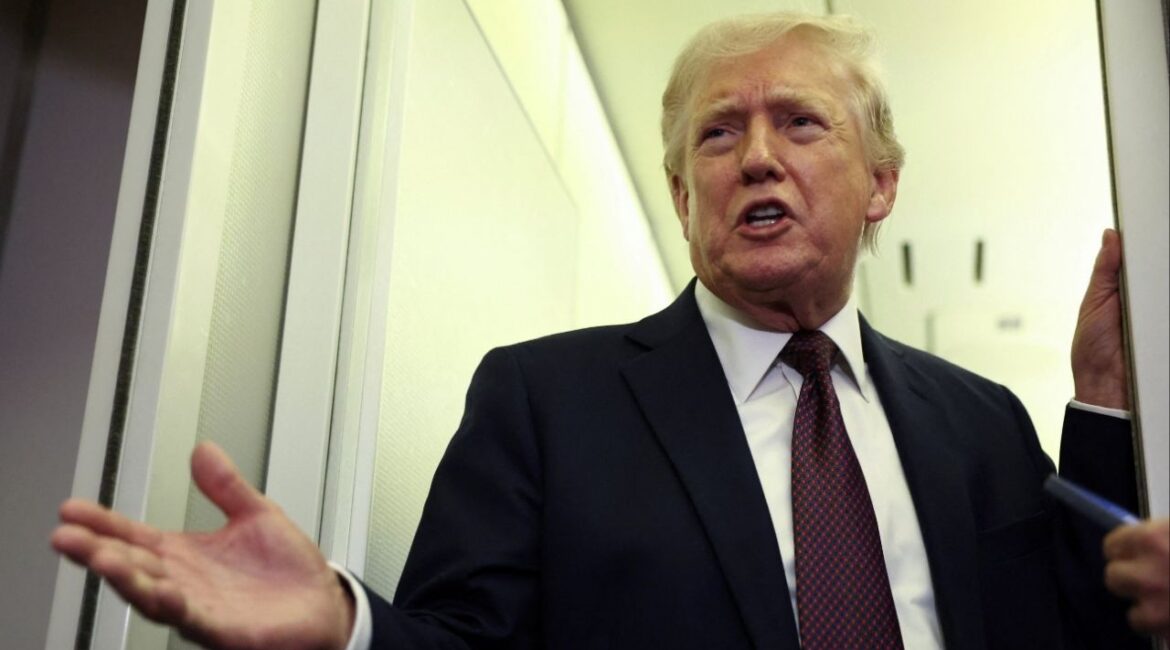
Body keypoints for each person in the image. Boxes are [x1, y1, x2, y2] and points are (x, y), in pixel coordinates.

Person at [52, 11, 1164, 649]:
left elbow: (1083, 633)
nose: (758, 156)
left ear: (881, 182)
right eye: (718, 135)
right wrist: (349, 625)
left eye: (800, 123)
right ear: (684, 197)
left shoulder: (981, 420)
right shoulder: (547, 403)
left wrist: (1111, 400)